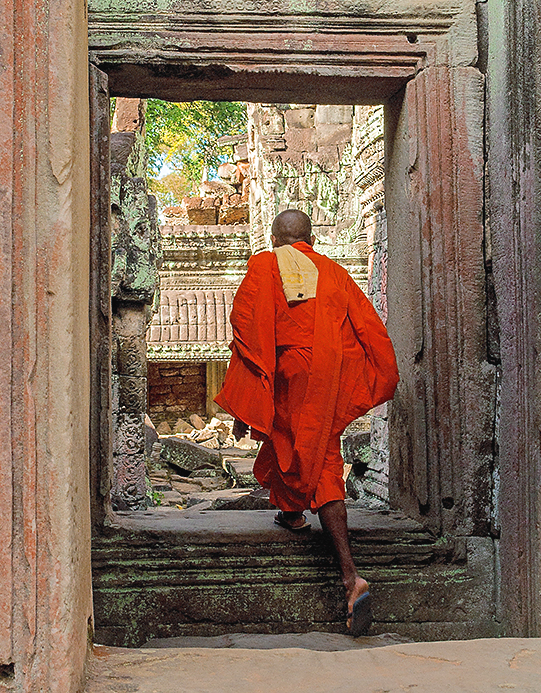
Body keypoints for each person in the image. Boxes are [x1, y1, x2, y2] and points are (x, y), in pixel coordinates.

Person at [215, 209, 399, 636]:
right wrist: (374, 374)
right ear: (310, 239)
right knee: (316, 445)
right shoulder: (333, 271)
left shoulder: (265, 264)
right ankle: (294, 512)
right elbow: (369, 328)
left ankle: (351, 575)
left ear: (275, 237)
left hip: (287, 373)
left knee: (310, 454)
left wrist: (248, 396)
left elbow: (246, 330)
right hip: (328, 374)